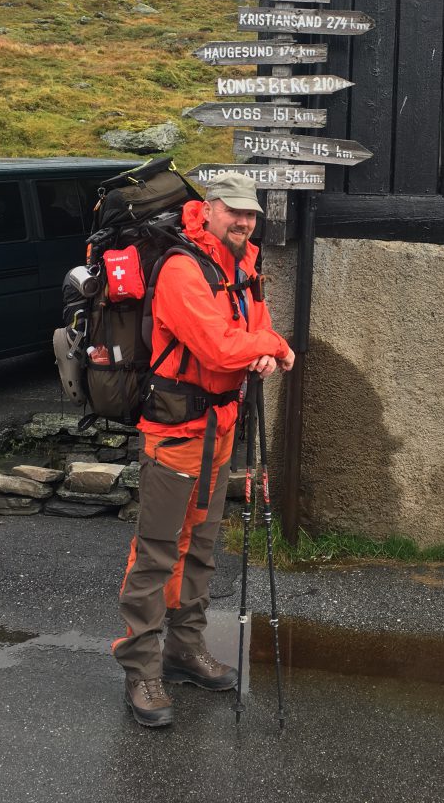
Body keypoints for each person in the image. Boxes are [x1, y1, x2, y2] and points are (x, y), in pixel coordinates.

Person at [113, 172, 295, 728]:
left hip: (220, 428)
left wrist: (260, 353)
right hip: (174, 432)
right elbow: (218, 348)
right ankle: (140, 668)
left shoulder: (244, 265)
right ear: (209, 209)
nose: (243, 221)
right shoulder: (180, 268)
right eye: (233, 211)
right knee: (157, 553)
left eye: (250, 214)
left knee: (202, 546)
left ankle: (183, 651)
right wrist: (271, 348)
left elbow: (250, 332)